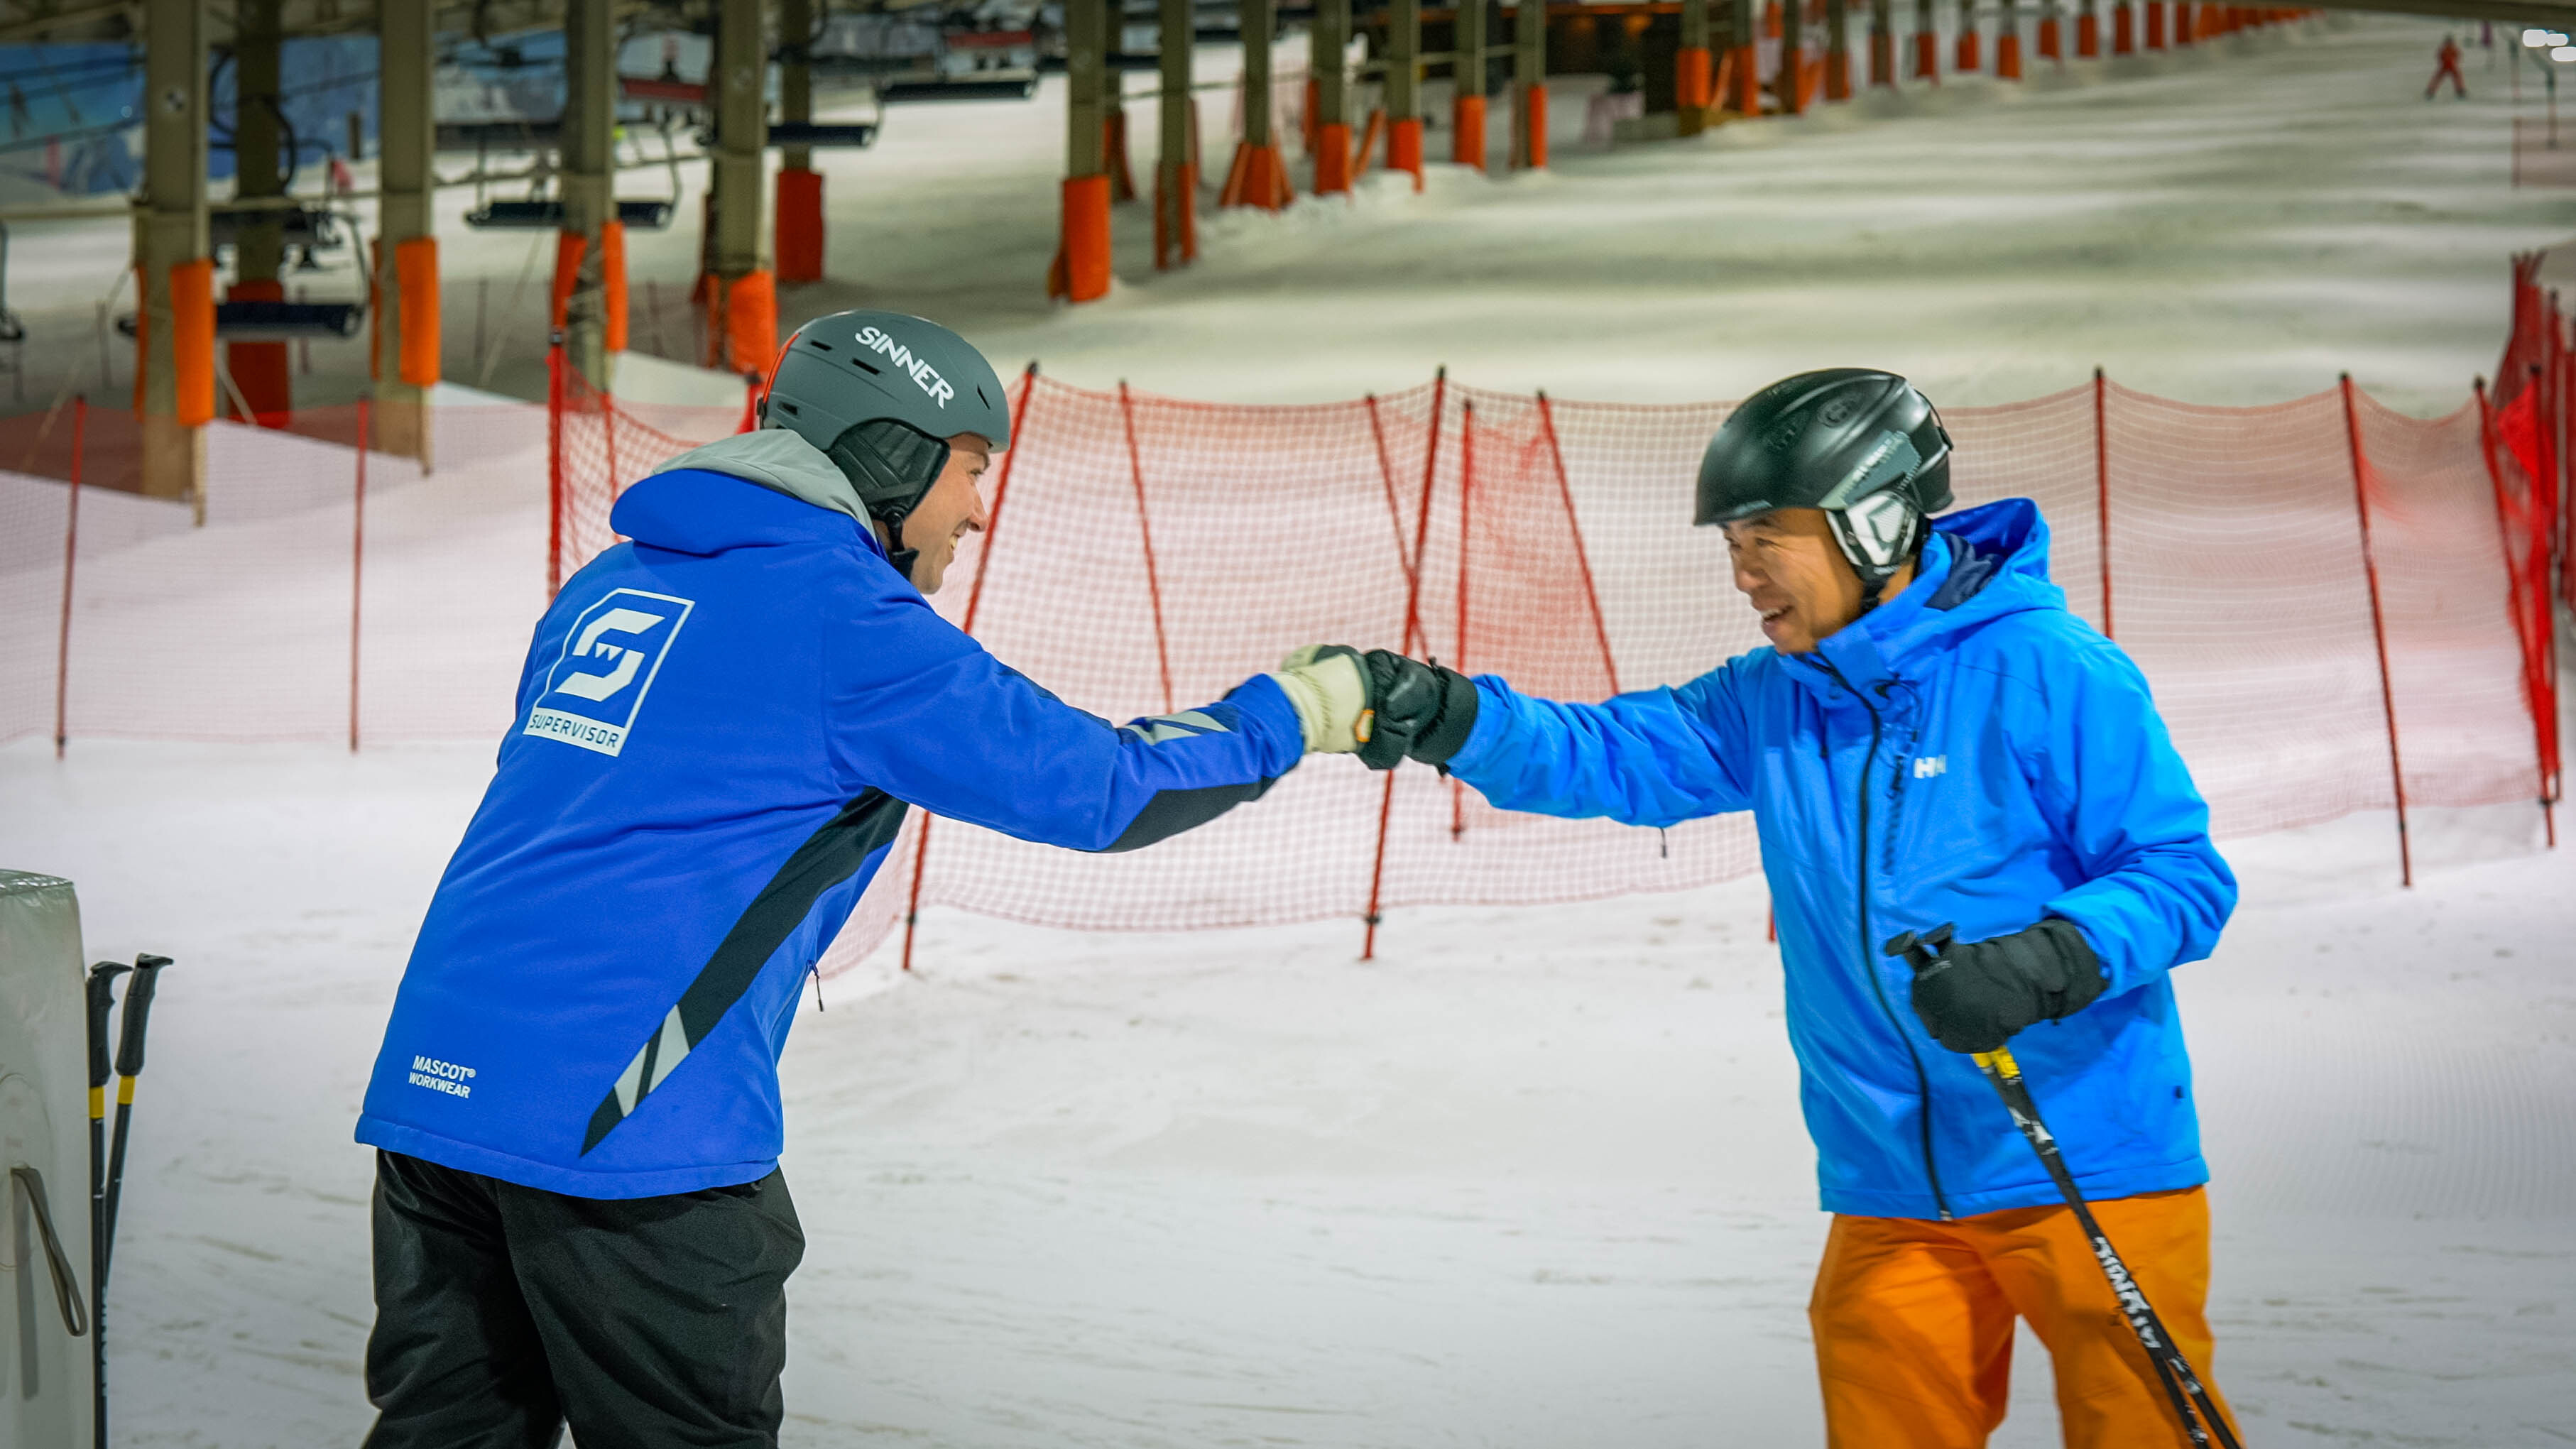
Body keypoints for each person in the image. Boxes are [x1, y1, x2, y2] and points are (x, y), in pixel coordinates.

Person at [352, 310, 1367, 1447]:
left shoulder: (612, 583)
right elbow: (1103, 786)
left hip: (436, 1098)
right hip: (622, 1134)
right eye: (970, 470)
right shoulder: (844, 616)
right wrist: (1296, 713)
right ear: (893, 456)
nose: (977, 509)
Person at [1284, 369, 2242, 1447]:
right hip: (1892, 1181)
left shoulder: (2047, 670)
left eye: (1765, 540)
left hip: (2084, 1156)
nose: (1743, 575)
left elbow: (2180, 874)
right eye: (1731, 545)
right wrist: (1453, 717)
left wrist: (2043, 961)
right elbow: (1611, 753)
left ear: (1874, 523)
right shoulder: (1776, 699)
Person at [2426, 33, 2466, 99]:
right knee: (2455, 78)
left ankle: (2431, 90)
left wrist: (2446, 61)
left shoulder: (2448, 49)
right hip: (2448, 66)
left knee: (2440, 78)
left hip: (2448, 66)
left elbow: (2440, 56)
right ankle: (2460, 90)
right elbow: (2457, 56)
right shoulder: (2449, 49)